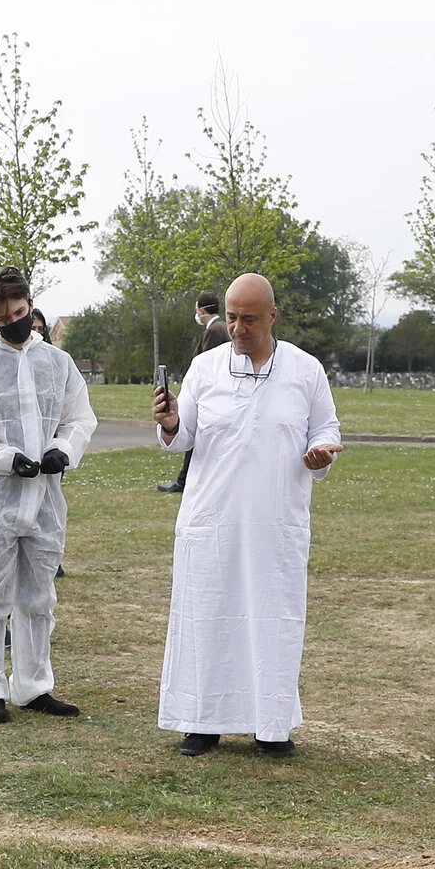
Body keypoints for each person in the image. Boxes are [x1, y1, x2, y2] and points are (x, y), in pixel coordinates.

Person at [153, 272, 342, 759]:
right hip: (211, 520)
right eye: (232, 317)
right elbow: (184, 434)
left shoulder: (305, 370)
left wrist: (322, 451)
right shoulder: (204, 368)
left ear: (273, 317)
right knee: (207, 615)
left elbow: (325, 428)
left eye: (249, 319)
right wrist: (172, 421)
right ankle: (200, 721)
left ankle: (270, 724)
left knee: (271, 617)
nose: (237, 328)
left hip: (274, 523)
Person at [0, 266, 96, 723]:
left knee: (38, 597)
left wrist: (62, 451)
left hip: (44, 500)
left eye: (21, 313)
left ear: (31, 305)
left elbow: (79, 418)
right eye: (3, 317)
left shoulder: (57, 362)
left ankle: (33, 686)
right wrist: (6, 458)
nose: (15, 323)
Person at [158, 292, 230, 494]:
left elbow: (207, 364)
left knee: (194, 438)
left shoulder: (215, 330)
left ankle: (182, 481)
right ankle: (182, 480)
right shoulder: (221, 327)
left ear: (201, 310)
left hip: (211, 395)